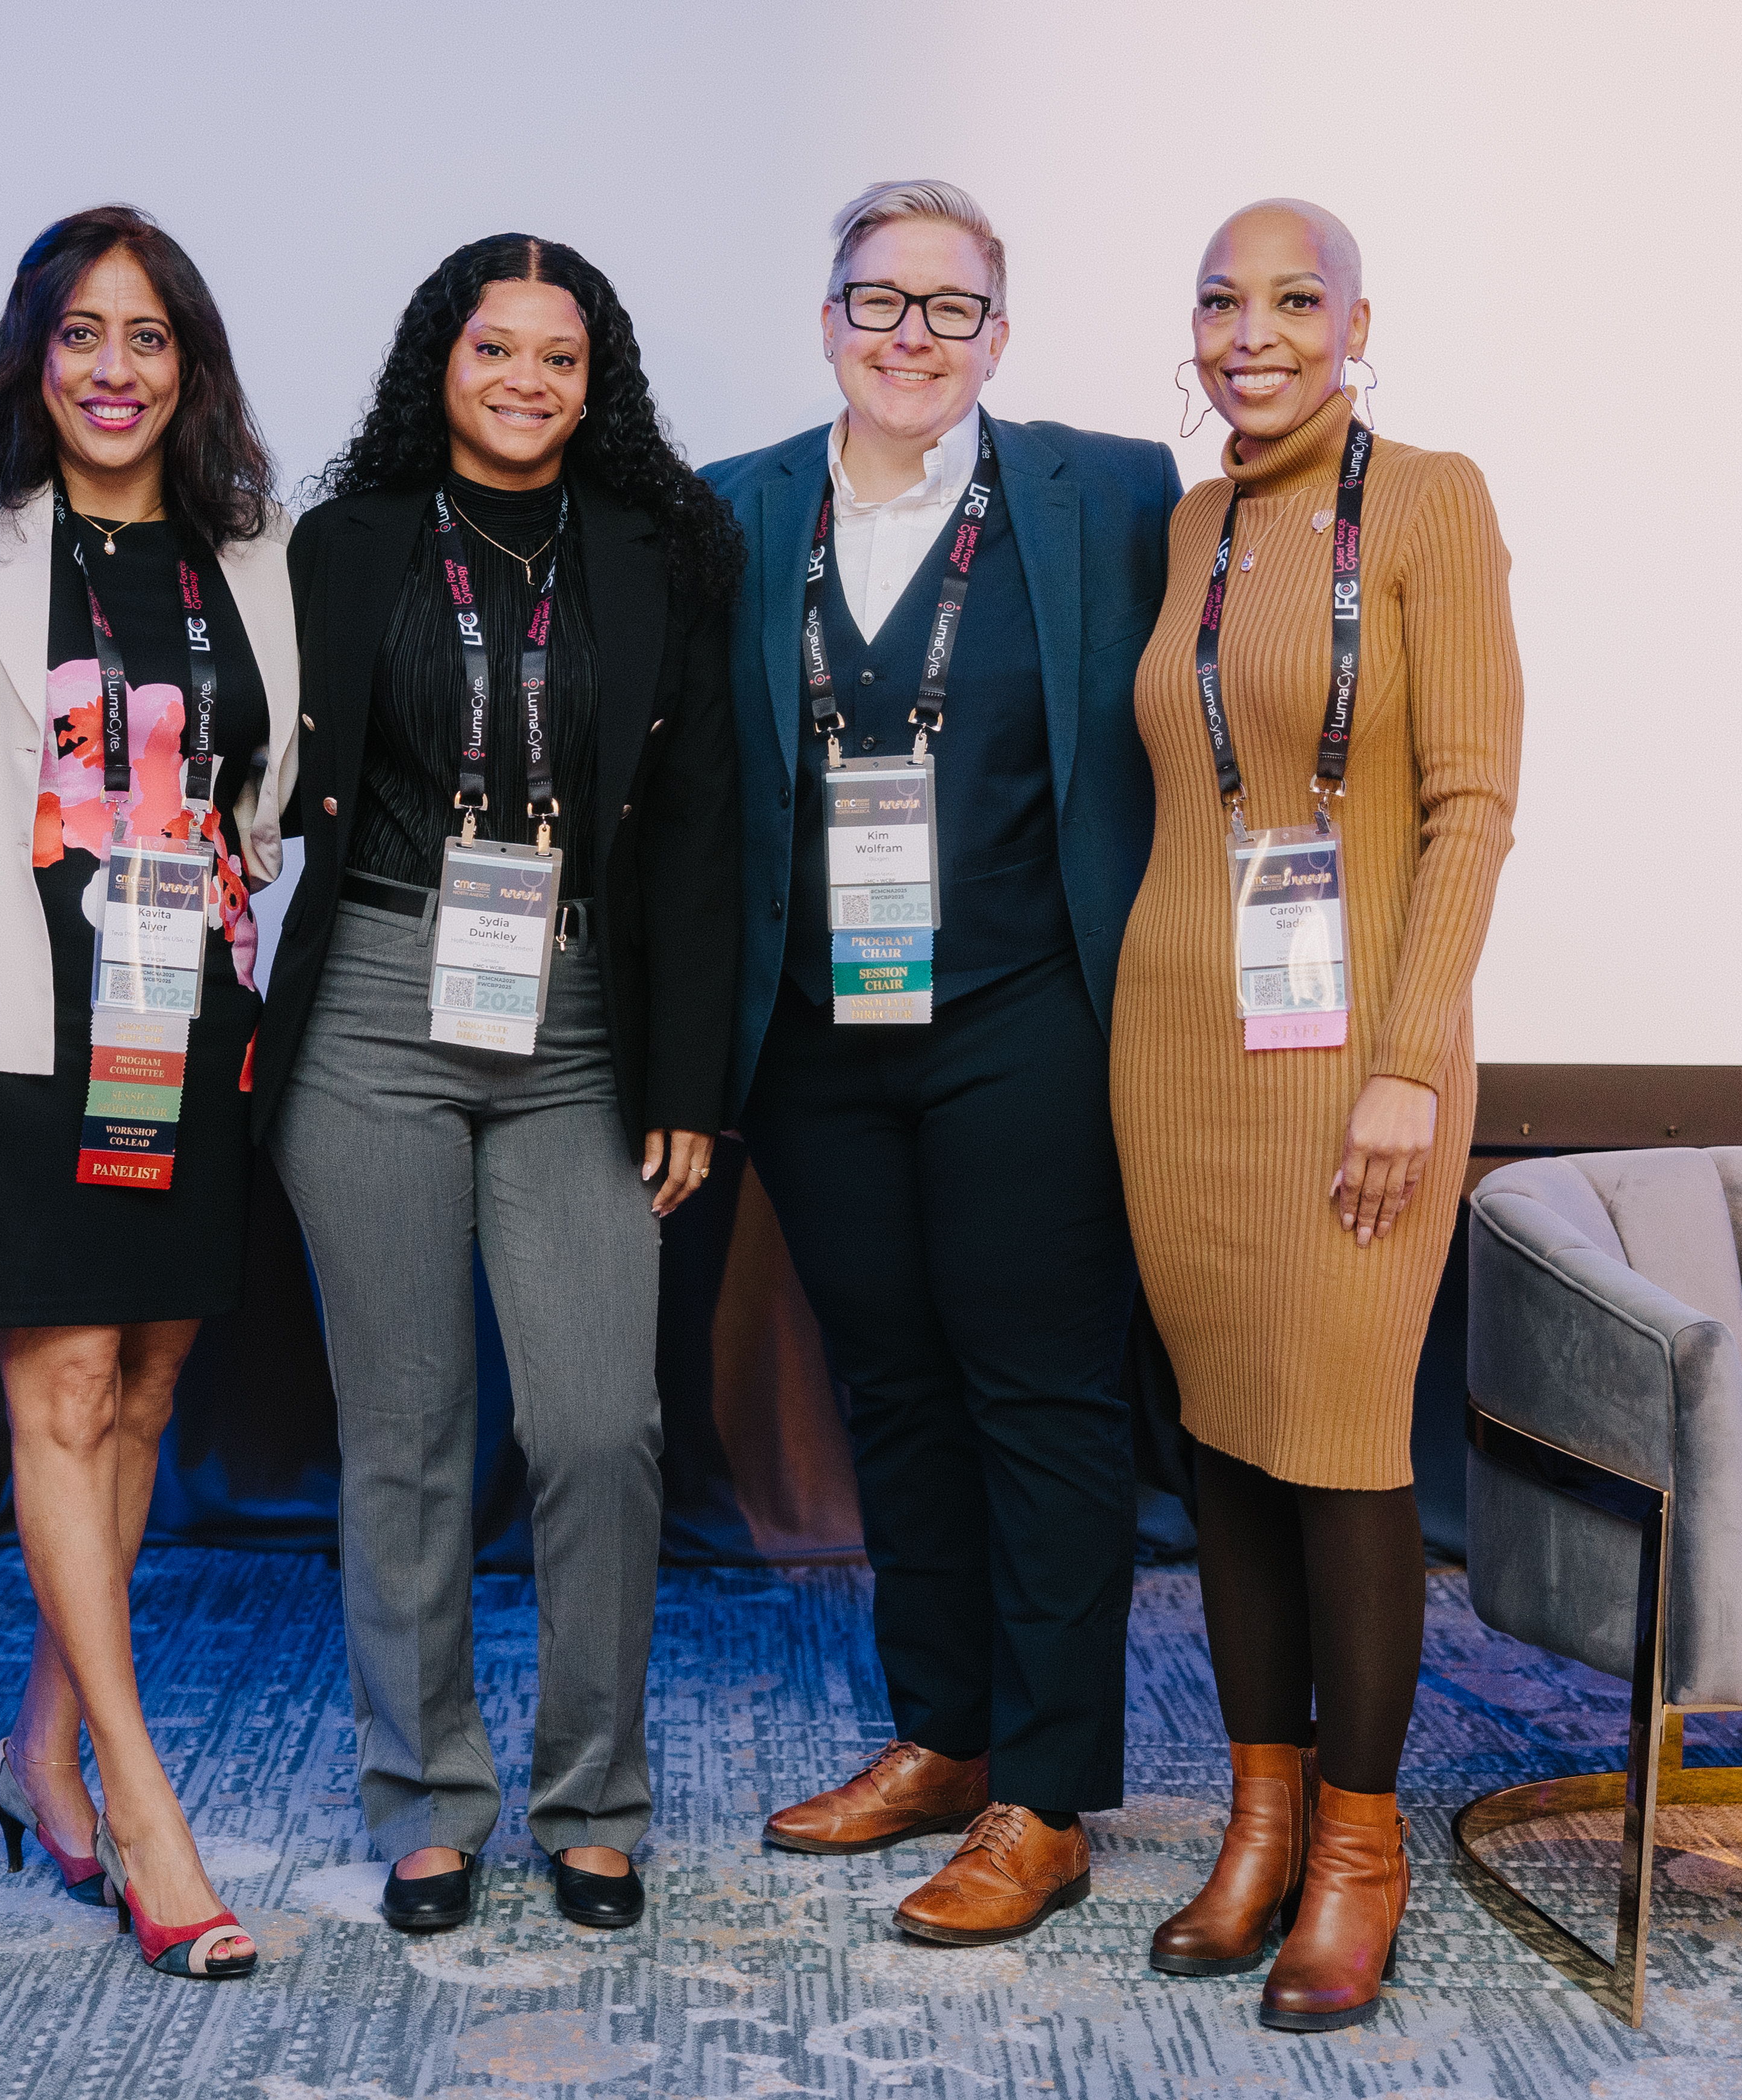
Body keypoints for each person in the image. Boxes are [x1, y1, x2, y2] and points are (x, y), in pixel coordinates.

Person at [701, 180, 1180, 1947]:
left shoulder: (1108, 491)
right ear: (827, 317)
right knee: (892, 1388)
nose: (912, 335)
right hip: (819, 1036)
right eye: (878, 301)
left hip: (1024, 1017)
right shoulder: (737, 508)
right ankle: (945, 1731)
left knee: (1039, 1394)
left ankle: (1047, 1795)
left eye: (951, 308)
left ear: (1003, 332)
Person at [253, 233, 741, 1936]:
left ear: (594, 380)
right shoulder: (343, 542)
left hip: (584, 1011)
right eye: (494, 350)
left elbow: (696, 827)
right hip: (378, 997)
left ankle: (593, 1796)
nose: (526, 383)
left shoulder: (663, 550)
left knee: (601, 1426)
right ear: (435, 363)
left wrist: (689, 1073)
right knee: (405, 1434)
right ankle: (428, 1800)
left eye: (560, 357)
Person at [1122, 198, 1520, 2031]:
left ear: (1362, 322)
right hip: (1180, 1043)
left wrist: (1408, 1058)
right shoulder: (1194, 521)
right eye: (1220, 300)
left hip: (1358, 1063)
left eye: (1294, 299)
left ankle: (1362, 1850)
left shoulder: (1431, 497)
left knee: (1349, 1441)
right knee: (1227, 1441)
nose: (1251, 333)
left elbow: (1469, 803)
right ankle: (1261, 1815)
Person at [0, 204, 294, 1983]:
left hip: (191, 1018)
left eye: (148, 337)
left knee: (142, 1385)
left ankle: (35, 1747)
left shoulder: (251, 542)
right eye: (82, 334)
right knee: (58, 1387)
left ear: (188, 365)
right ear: (33, 352)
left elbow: (267, 790)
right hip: (24, 1020)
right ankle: (142, 1802)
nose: (114, 369)